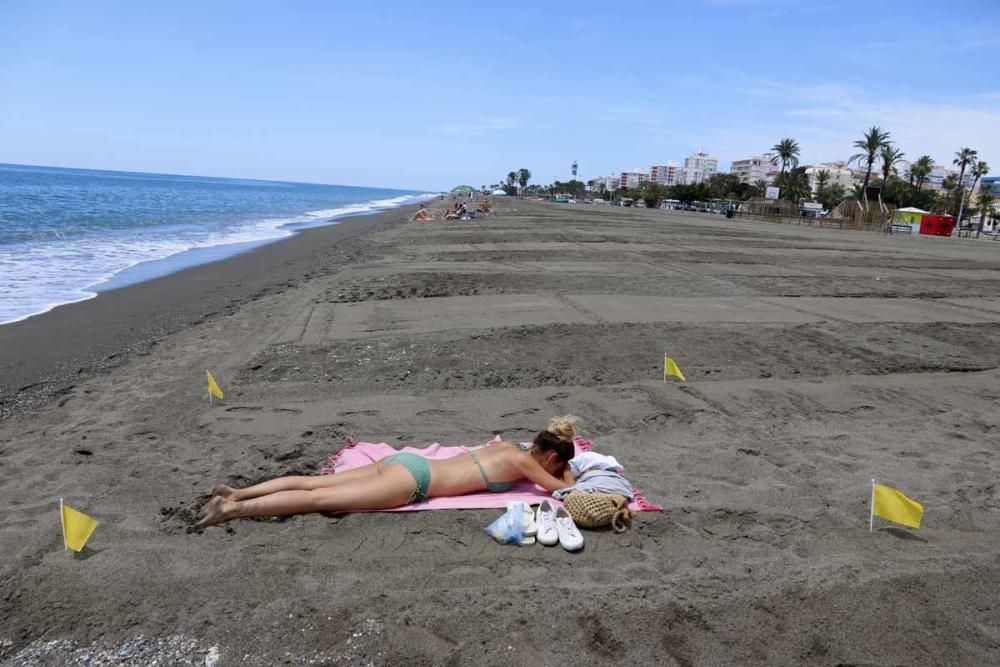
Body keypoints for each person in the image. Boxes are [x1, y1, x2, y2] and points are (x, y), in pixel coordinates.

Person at [196, 416, 579, 527]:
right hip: (417, 481)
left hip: (404, 463)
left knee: (315, 483)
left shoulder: (508, 447)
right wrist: (568, 473)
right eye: (557, 463)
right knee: (318, 499)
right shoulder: (528, 463)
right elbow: (562, 489)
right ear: (550, 458)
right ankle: (230, 510)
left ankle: (238, 492)